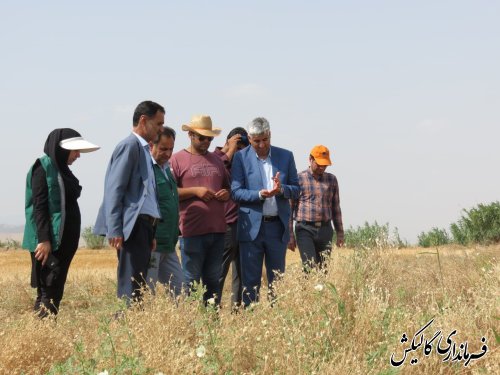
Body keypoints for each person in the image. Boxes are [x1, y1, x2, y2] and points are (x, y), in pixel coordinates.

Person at [22, 128, 100, 317]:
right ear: (62, 149)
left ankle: (41, 335)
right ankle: (42, 336)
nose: (78, 156)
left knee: (52, 290)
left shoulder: (61, 170)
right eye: (75, 151)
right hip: (50, 244)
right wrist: (44, 240)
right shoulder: (43, 168)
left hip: (62, 243)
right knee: (48, 289)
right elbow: (39, 206)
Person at [94, 100, 165, 304]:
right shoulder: (129, 146)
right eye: (158, 124)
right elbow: (115, 189)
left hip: (143, 226)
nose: (161, 129)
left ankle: (133, 328)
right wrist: (115, 229)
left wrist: (151, 231)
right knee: (130, 287)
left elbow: (147, 194)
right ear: (144, 120)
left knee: (138, 285)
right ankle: (125, 329)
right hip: (131, 227)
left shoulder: (143, 149)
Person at [231, 117, 300, 307]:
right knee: (250, 282)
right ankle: (250, 322)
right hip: (251, 229)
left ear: (270, 135)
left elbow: (296, 188)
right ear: (249, 138)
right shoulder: (241, 158)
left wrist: (282, 190)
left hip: (277, 228)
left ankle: (276, 323)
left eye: (265, 140)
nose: (261, 145)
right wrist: (259, 194)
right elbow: (235, 192)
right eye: (256, 141)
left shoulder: (286, 156)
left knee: (277, 281)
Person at [169, 115, 230, 305]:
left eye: (209, 138)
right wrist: (196, 191)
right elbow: (169, 193)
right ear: (190, 135)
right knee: (191, 281)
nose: (206, 142)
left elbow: (228, 189)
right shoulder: (177, 160)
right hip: (191, 232)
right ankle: (191, 324)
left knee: (213, 281)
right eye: (201, 137)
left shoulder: (217, 161)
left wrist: (225, 194)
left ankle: (211, 323)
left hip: (218, 231)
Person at [289, 145, 344, 270]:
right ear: (310, 159)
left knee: (323, 270)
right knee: (310, 267)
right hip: (304, 229)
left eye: (324, 165)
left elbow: (336, 208)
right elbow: (289, 209)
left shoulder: (332, 180)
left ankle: (319, 290)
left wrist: (340, 233)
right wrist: (290, 235)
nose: (321, 167)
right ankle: (307, 289)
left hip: (326, 230)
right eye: (319, 164)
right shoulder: (298, 179)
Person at [146, 126, 185, 297]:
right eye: (163, 149)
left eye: (171, 149)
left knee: (180, 290)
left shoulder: (166, 169)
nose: (168, 153)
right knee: (146, 293)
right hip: (152, 243)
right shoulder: (146, 169)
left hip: (168, 244)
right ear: (150, 146)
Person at [214, 127, 249, 309]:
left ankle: (237, 311)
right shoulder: (217, 159)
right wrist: (230, 149)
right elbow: (215, 166)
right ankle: (213, 311)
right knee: (219, 272)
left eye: (244, 147)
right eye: (238, 145)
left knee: (242, 274)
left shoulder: (246, 165)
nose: (240, 150)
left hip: (245, 225)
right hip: (226, 225)